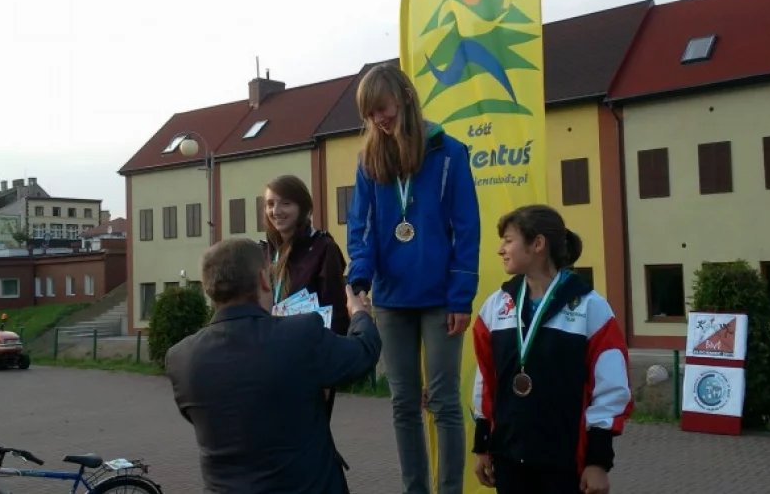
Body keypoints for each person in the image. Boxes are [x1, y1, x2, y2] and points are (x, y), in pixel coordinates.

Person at [346, 62, 481, 494]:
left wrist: (462, 298)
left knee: (443, 403)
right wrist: (361, 276)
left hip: (441, 297)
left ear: (404, 96)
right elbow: (361, 228)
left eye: (380, 108)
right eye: (368, 115)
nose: (377, 121)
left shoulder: (450, 154)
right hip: (390, 300)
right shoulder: (369, 160)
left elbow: (467, 229)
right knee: (404, 404)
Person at [165, 237, 381, 494]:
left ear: (208, 288)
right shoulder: (299, 335)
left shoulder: (181, 359)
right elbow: (363, 353)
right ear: (263, 280)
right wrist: (359, 315)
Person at [470, 205, 633, 494]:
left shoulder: (590, 307)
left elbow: (611, 389)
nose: (500, 249)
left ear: (538, 244)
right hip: (509, 459)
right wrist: (483, 444)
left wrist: (598, 462)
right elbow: (486, 380)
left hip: (564, 463)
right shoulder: (496, 306)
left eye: (508, 240)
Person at [260, 175, 351, 433]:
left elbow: (337, 315)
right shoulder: (265, 253)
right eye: (270, 204)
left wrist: (326, 375)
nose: (276, 211)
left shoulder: (323, 249)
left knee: (309, 440)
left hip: (310, 364)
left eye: (285, 203)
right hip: (271, 361)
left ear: (303, 207)